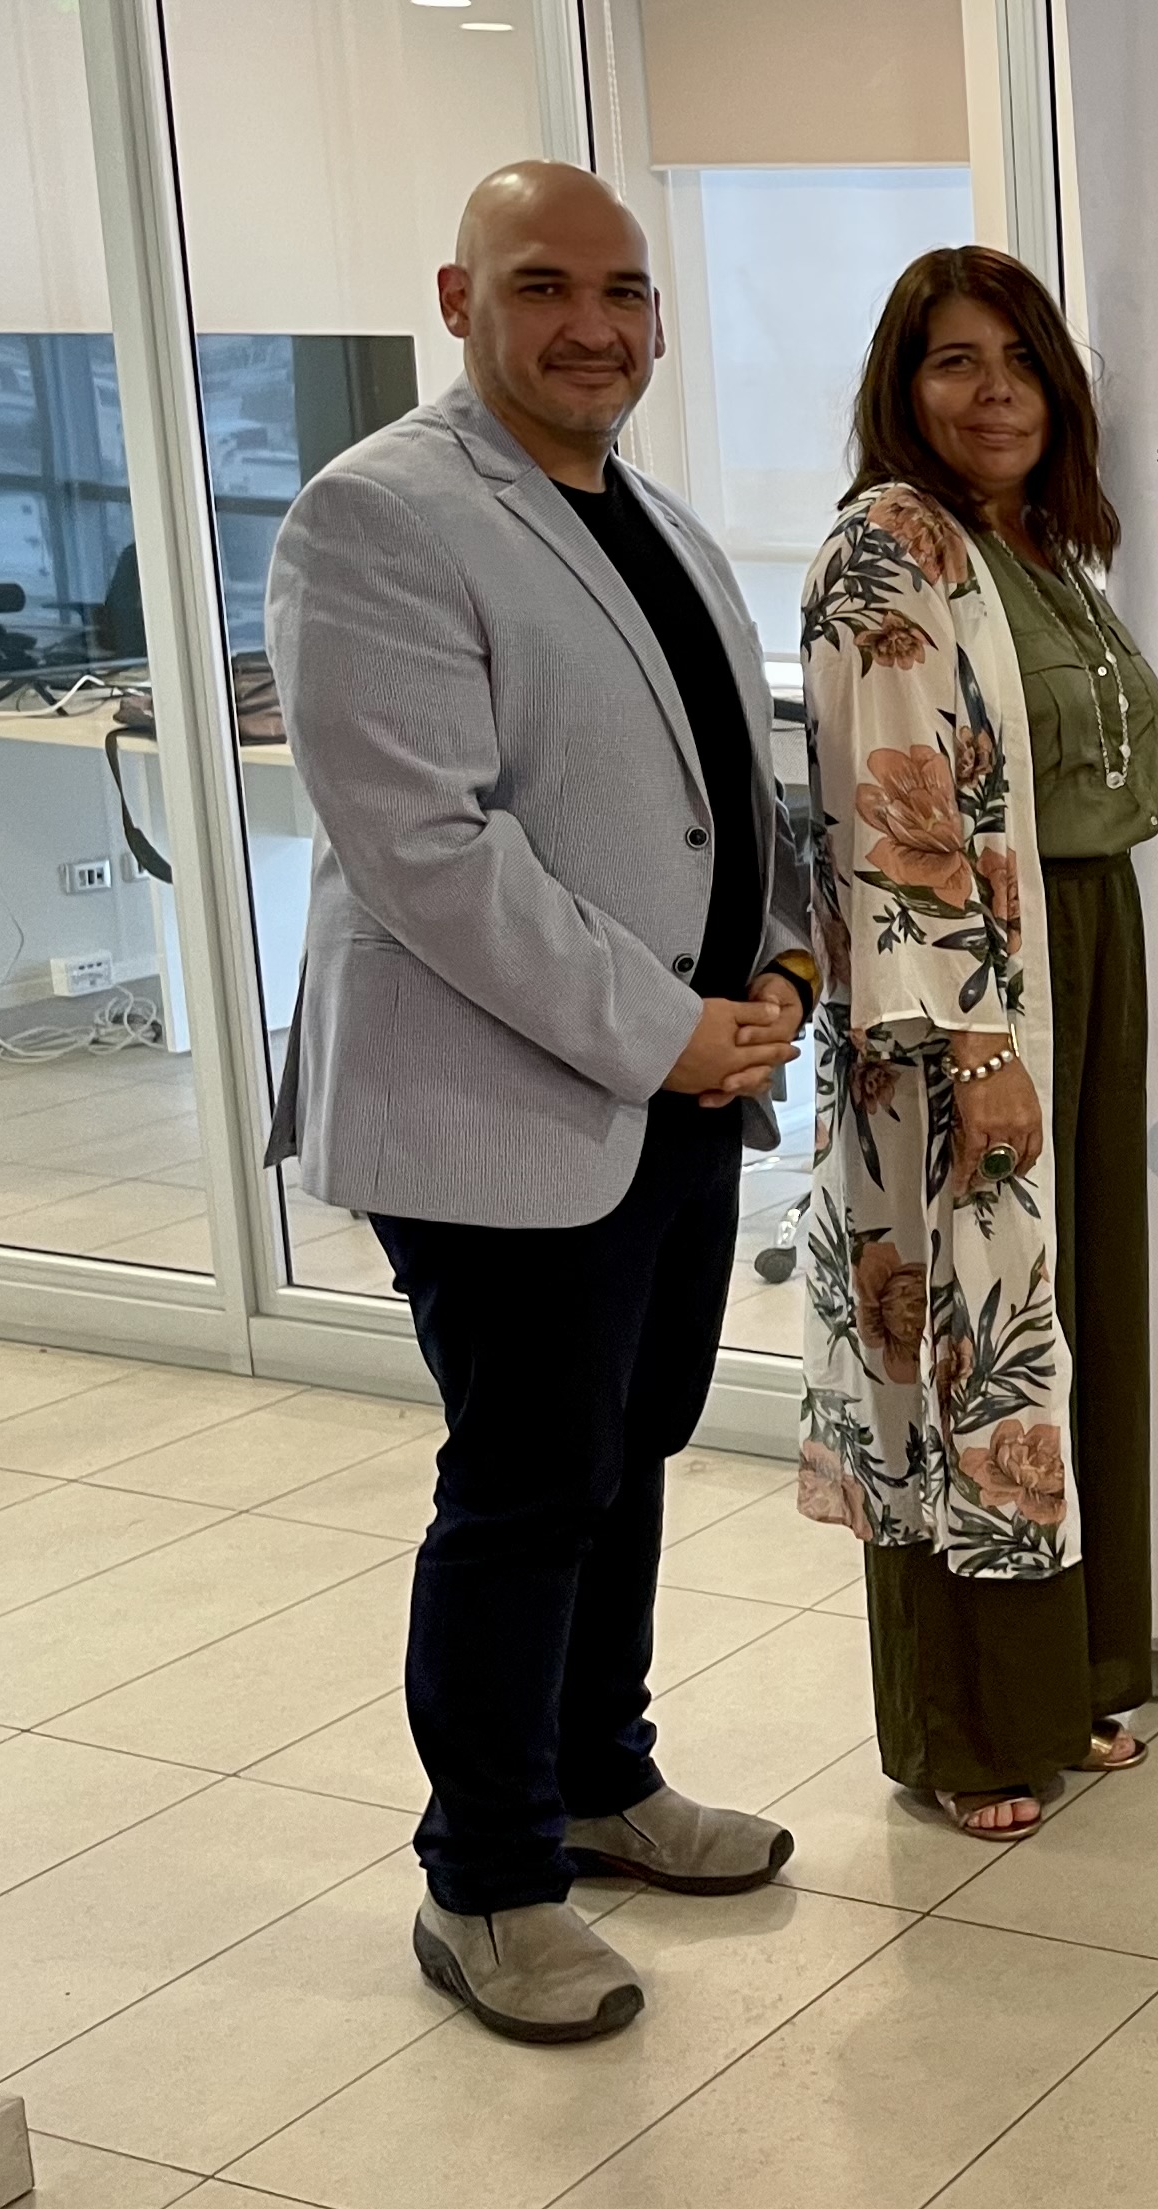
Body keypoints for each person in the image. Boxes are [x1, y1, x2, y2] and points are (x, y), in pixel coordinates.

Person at [266, 161, 811, 2048]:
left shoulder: (656, 516)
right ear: (459, 298)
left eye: (624, 291)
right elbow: (425, 847)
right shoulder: (381, 515)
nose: (595, 326)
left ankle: (599, 1780)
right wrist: (663, 1030)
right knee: (522, 1490)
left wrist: (781, 966)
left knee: (627, 1450)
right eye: (544, 285)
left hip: (677, 1087)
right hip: (506, 1102)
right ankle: (488, 1882)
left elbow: (729, 794)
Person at [796, 247, 1158, 1839]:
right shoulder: (891, 549)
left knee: (1056, 1326)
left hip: (1083, 950)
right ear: (904, 387)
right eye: (955, 361)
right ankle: (963, 1725)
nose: (994, 391)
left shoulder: (1038, 544)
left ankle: (1063, 1677)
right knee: (969, 1341)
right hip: (964, 1000)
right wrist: (971, 1042)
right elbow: (896, 822)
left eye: (1019, 361)